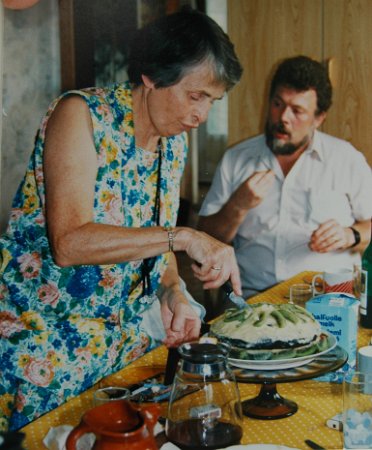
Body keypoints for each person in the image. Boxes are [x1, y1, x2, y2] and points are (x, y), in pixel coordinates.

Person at [0, 9, 243, 430]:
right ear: (152, 75)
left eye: (212, 101)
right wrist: (184, 237)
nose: (201, 114)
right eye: (195, 95)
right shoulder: (81, 116)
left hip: (120, 351)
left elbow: (153, 243)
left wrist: (172, 290)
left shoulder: (173, 143)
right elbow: (70, 242)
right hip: (47, 349)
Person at [198, 55, 372, 299]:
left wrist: (350, 234)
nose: (283, 118)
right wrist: (237, 205)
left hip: (325, 300)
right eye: (278, 104)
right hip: (251, 300)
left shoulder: (346, 159)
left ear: (319, 118)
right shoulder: (235, 159)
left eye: (297, 111)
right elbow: (204, 241)